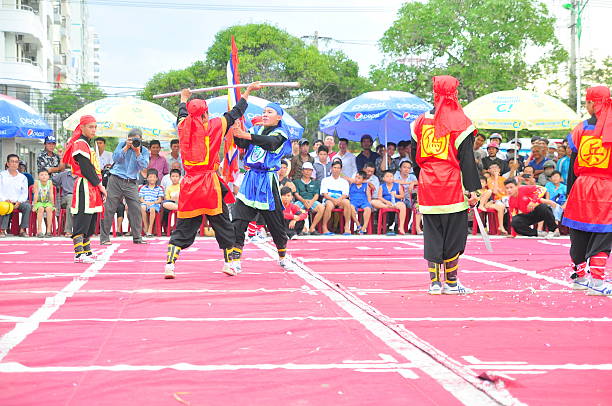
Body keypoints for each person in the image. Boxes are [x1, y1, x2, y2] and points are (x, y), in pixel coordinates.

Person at [165, 82, 260, 278]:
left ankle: (170, 265)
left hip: (190, 184)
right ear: (206, 113)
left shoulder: (183, 126)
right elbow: (236, 112)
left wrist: (183, 98)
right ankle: (228, 264)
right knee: (222, 223)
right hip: (209, 185)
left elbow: (182, 113)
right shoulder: (216, 126)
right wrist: (248, 91)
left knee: (184, 226)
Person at [410, 75, 481, 295]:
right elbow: (467, 159)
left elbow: (415, 159)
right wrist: (473, 190)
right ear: (455, 93)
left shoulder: (420, 121)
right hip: (452, 185)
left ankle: (434, 283)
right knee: (454, 234)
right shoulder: (461, 122)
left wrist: (423, 178)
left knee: (432, 233)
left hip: (428, 183)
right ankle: (451, 283)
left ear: (435, 93)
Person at [231, 98, 293, 268]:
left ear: (279, 117)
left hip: (267, 181)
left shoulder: (281, 133)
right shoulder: (256, 128)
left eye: (269, 112)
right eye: (264, 112)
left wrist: (247, 135)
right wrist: (236, 132)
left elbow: (271, 144)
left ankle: (282, 255)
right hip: (250, 179)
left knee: (276, 224)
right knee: (238, 220)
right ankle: (235, 260)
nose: (265, 115)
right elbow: (243, 143)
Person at [562, 86, 612, 295]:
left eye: (587, 102)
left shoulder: (580, 128)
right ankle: (598, 283)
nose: (586, 106)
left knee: (579, 232)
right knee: (603, 233)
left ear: (593, 103)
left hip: (581, 186)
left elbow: (573, 164)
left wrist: (569, 193)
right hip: (605, 188)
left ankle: (580, 278)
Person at [62, 116, 107, 263]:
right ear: (82, 128)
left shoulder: (88, 144)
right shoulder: (80, 143)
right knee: (82, 218)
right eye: (90, 127)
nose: (93, 130)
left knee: (91, 219)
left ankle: (87, 252)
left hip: (92, 185)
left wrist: (98, 186)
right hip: (85, 184)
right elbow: (86, 168)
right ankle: (78, 253)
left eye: (95, 127)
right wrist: (100, 185)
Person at [99, 128, 150, 245]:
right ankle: (104, 238)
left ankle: (137, 237)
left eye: (138, 140)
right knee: (109, 208)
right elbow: (115, 158)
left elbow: (144, 165)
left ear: (141, 139)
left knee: (135, 208)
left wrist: (137, 152)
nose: (135, 142)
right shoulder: (122, 144)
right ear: (128, 139)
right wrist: (126, 147)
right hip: (116, 179)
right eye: (133, 140)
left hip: (131, 182)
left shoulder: (144, 150)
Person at [0, 154, 31, 237]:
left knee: (27, 206)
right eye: (12, 162)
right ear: (7, 163)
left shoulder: (23, 177)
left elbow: (24, 193)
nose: (14, 164)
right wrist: (4, 199)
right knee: (6, 206)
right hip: (5, 201)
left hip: (18, 202)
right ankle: (2, 230)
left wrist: (19, 201)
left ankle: (22, 230)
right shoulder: (2, 175)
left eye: (16, 162)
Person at [320, 160, 351, 235]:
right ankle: (325, 228)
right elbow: (324, 194)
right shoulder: (325, 180)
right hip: (329, 199)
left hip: (340, 199)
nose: (336, 170)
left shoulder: (344, 181)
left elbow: (345, 194)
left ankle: (347, 227)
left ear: (341, 169)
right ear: (331, 168)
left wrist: (338, 200)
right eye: (334, 167)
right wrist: (333, 200)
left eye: (338, 168)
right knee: (329, 205)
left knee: (347, 202)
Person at [293, 161, 324, 235]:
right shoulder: (296, 182)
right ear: (302, 171)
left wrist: (311, 202)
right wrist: (304, 201)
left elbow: (316, 195)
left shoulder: (315, 183)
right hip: (301, 201)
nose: (307, 172)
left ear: (312, 171)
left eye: (310, 170)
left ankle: (312, 228)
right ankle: (302, 228)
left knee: (321, 208)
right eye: (306, 170)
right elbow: (296, 194)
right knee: (295, 207)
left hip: (312, 201)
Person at [377, 170, 407, 235]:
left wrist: (395, 195)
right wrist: (386, 202)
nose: (390, 178)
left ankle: (401, 227)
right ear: (383, 178)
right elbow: (379, 197)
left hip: (396, 203)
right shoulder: (381, 186)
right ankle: (388, 206)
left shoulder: (398, 185)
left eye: (391, 176)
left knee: (403, 206)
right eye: (387, 176)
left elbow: (402, 196)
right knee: (373, 202)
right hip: (385, 203)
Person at [53, 165, 77, 237]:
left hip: (79, 198)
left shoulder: (82, 176)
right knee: (71, 200)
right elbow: (51, 180)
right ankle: (68, 230)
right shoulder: (64, 175)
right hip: (66, 198)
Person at [139, 168, 164, 237]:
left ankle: (149, 229)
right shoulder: (143, 188)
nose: (152, 179)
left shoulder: (159, 188)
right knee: (142, 207)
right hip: (145, 203)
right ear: (147, 178)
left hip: (155, 204)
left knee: (152, 208)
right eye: (150, 177)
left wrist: (153, 202)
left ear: (157, 178)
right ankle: (146, 226)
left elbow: (160, 200)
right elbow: (141, 199)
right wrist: (146, 202)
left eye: (154, 177)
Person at [32, 169, 56, 238]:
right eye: (42, 175)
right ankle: (39, 230)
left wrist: (53, 204)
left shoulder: (50, 182)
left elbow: (51, 194)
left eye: (45, 175)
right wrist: (34, 205)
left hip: (47, 202)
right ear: (38, 176)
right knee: (40, 209)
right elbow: (36, 194)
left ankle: (48, 230)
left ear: (48, 176)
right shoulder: (37, 182)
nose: (44, 176)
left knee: (49, 209)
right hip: (39, 202)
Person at [348, 170, 372, 234]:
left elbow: (368, 195)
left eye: (359, 178)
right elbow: (346, 178)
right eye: (356, 177)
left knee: (368, 209)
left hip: (363, 201)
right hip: (353, 201)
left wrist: (369, 204)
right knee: (351, 208)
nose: (356, 179)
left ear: (363, 180)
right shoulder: (351, 184)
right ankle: (358, 224)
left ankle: (364, 227)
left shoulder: (366, 185)